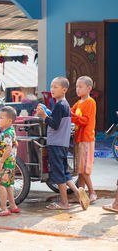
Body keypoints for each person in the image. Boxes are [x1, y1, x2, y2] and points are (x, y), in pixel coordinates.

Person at [37, 77, 90, 210]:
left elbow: (54, 124)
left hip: (55, 143)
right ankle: (78, 194)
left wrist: (44, 116)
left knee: (59, 174)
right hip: (63, 144)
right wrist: (48, 114)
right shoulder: (65, 105)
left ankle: (64, 203)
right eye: (51, 87)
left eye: (55, 87)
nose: (52, 89)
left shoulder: (60, 105)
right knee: (65, 173)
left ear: (64, 90)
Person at [70, 76, 97, 203]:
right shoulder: (78, 103)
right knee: (80, 170)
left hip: (86, 138)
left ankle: (92, 192)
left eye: (80, 87)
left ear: (89, 88)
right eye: (76, 87)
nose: (78, 89)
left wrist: (72, 116)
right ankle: (81, 196)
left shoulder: (90, 102)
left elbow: (85, 120)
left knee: (84, 169)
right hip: (79, 138)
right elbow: (70, 112)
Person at [0, 106, 20, 216]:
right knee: (7, 185)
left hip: (5, 163)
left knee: (1, 184)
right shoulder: (11, 131)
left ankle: (3, 208)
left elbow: (8, 149)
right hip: (10, 163)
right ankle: (12, 206)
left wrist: (1, 162)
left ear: (9, 121)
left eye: (1, 118)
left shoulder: (7, 134)